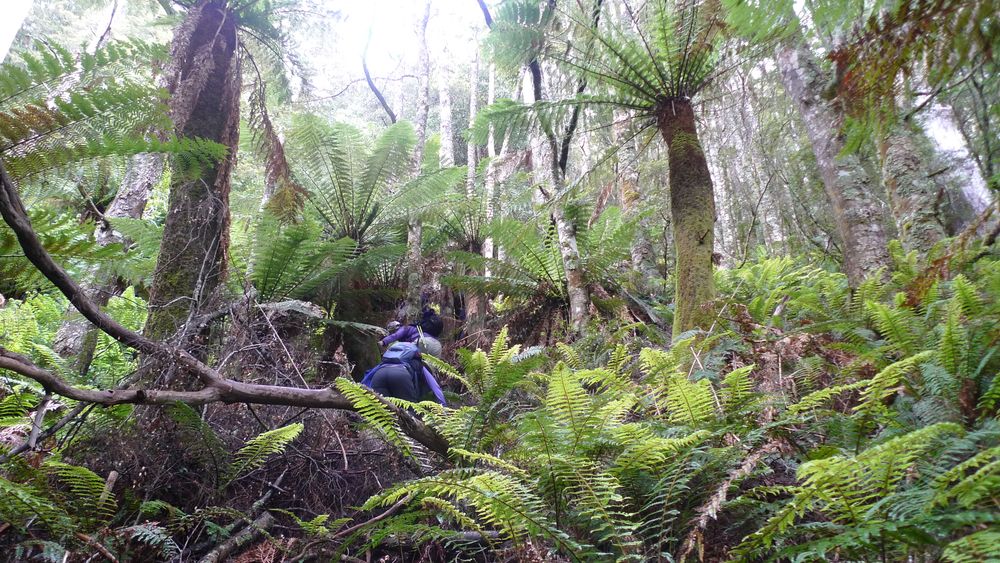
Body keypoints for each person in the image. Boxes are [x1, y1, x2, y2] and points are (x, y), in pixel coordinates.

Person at [362, 341, 447, 405]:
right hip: (401, 375)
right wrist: (444, 409)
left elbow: (368, 376)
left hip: (379, 375)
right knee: (410, 409)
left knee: (381, 410)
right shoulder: (420, 365)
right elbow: (436, 388)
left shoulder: (386, 362)